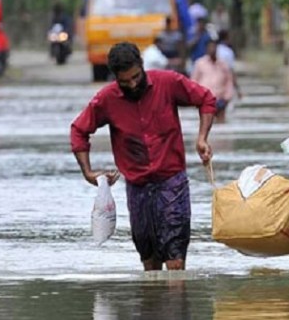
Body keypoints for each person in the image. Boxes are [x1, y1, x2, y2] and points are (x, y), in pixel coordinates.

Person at [70, 42, 217, 271]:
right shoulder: (106, 99)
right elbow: (79, 130)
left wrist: (202, 138)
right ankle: (151, 305)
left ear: (142, 66)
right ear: (115, 78)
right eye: (125, 81)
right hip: (137, 188)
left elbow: (206, 99)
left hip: (172, 184)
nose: (132, 84)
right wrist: (88, 172)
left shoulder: (168, 83)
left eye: (136, 77)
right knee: (149, 261)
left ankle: (176, 303)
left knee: (175, 258)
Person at [191, 39, 236, 123]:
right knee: (205, 123)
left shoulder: (223, 64)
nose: (212, 49)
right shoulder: (199, 63)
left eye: (214, 47)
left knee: (221, 123)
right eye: (210, 47)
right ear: (206, 49)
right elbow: (193, 82)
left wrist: (228, 97)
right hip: (205, 99)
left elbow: (229, 81)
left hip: (221, 98)